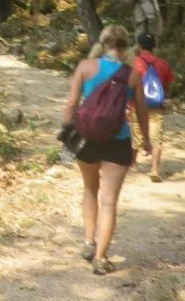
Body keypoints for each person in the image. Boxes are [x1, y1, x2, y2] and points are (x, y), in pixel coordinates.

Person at [63, 24, 151, 275]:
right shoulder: (132, 75)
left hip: (87, 138)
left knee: (90, 190)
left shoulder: (85, 67)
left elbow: (71, 104)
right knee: (109, 201)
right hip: (118, 141)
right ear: (126, 47)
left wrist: (66, 134)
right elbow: (142, 113)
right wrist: (145, 140)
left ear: (102, 44)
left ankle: (89, 242)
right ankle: (100, 258)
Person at [131, 32, 174, 182]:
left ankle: (132, 165)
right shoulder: (163, 64)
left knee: (136, 134)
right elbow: (167, 86)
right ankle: (155, 170)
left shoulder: (134, 63)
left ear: (138, 45)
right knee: (156, 138)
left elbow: (128, 85)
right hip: (156, 106)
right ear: (154, 46)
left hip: (137, 105)